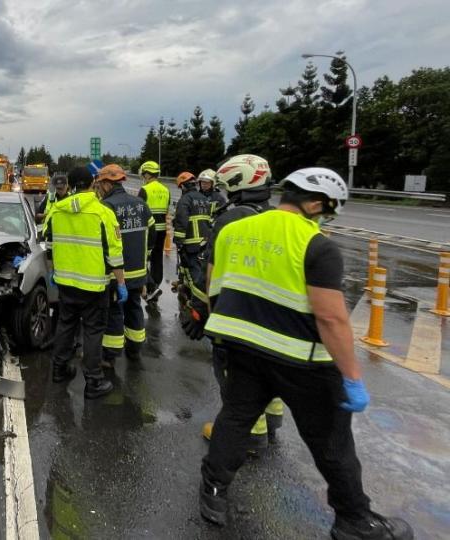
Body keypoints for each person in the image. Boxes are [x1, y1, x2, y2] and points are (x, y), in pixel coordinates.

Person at [198, 166, 413, 540]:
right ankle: (354, 520)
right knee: (332, 441)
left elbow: (214, 286)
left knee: (234, 420)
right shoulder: (317, 245)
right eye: (328, 209)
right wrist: (352, 377)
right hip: (303, 361)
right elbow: (331, 318)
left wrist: (227, 333)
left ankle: (213, 492)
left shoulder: (232, 230)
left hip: (242, 349)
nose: (327, 217)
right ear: (314, 203)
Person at [190, 155, 284, 453]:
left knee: (233, 372)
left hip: (236, 310)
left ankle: (247, 435)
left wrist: (202, 310)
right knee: (269, 367)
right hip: (271, 309)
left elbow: (212, 274)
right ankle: (271, 421)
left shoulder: (230, 218)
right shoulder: (276, 215)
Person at [45, 166, 126, 399]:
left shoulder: (56, 211)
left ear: (70, 185)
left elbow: (49, 247)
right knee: (92, 332)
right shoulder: (103, 213)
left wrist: (54, 272)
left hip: (65, 283)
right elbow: (115, 255)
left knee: (65, 325)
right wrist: (120, 283)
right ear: (92, 183)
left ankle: (59, 370)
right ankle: (93, 381)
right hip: (95, 287)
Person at [94, 164, 154, 363]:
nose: (100, 188)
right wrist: (144, 257)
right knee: (135, 306)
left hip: (115, 272)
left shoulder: (106, 207)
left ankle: (110, 355)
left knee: (114, 311)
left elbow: (102, 241)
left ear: (107, 184)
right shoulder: (141, 204)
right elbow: (152, 235)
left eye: (101, 184)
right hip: (138, 270)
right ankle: (135, 348)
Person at [137, 161, 169, 305]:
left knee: (143, 260)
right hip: (162, 230)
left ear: (148, 174)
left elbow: (139, 211)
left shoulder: (144, 189)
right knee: (157, 260)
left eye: (144, 174)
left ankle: (151, 287)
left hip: (149, 231)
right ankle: (156, 286)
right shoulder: (166, 189)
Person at [171, 171, 211, 277]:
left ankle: (193, 292)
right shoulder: (204, 199)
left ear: (183, 186)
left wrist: (178, 241)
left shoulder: (185, 199)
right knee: (202, 270)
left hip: (191, 243)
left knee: (193, 272)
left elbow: (181, 221)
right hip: (205, 242)